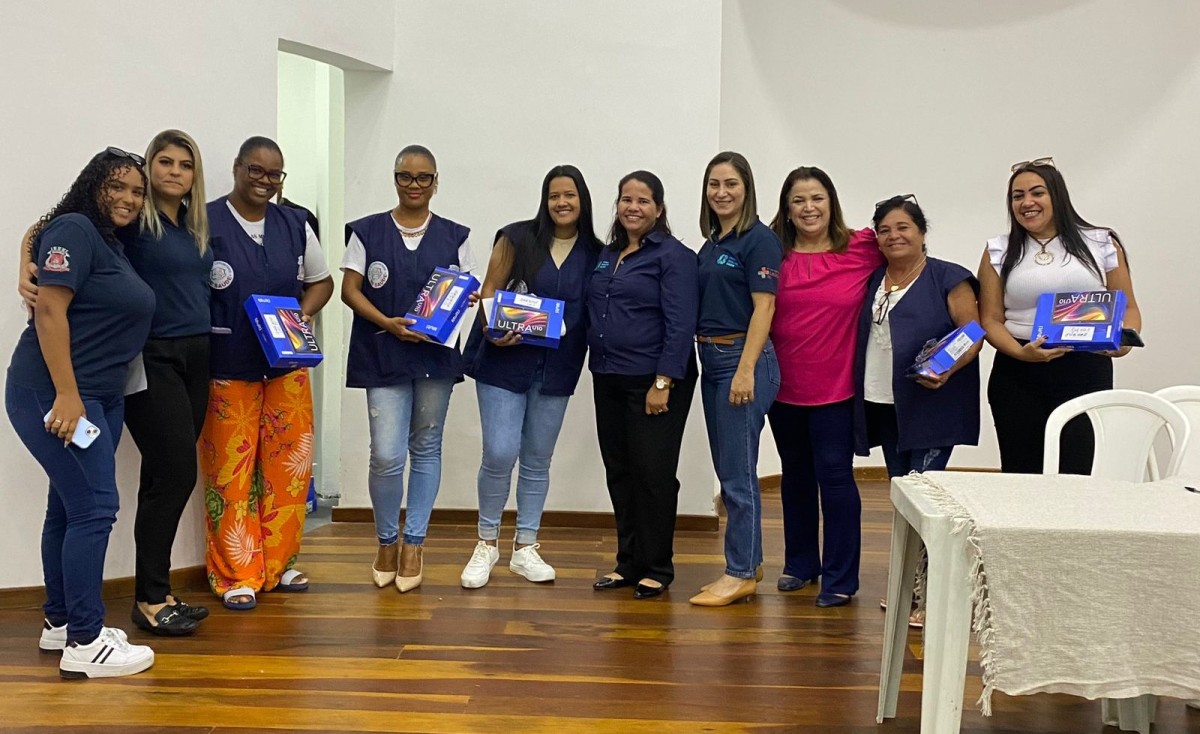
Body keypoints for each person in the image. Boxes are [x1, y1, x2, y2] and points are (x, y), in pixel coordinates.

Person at [18, 131, 216, 635]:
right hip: (151, 359)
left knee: (163, 474)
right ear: (150, 167)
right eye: (164, 162)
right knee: (171, 474)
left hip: (195, 356)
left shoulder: (194, 224)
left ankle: (137, 597)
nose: (174, 171)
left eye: (185, 164)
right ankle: (146, 599)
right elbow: (50, 226)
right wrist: (25, 264)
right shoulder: (130, 224)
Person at [7, 147, 157, 677]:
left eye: (136, 191)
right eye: (116, 186)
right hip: (57, 392)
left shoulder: (109, 240)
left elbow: (39, 230)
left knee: (69, 507)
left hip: (101, 395)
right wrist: (67, 396)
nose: (128, 198)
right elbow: (49, 309)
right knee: (95, 507)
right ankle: (86, 643)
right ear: (93, 186)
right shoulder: (75, 227)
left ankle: (62, 622)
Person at [201, 136, 334, 610]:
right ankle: (237, 573)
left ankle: (279, 563)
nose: (264, 180)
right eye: (255, 170)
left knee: (288, 469)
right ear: (237, 168)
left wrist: (301, 315)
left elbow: (322, 282)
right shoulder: (205, 221)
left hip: (287, 369)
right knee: (230, 474)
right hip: (227, 366)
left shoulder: (295, 224)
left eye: (274, 173)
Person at [459, 165, 602, 588]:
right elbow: (489, 292)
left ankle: (525, 547)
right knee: (500, 453)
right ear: (545, 199)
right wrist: (493, 329)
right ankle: (486, 542)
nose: (562, 202)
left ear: (582, 200)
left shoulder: (597, 253)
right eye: (554, 195)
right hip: (503, 364)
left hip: (557, 369)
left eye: (570, 195)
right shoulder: (516, 237)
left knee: (538, 460)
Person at [341, 144, 475, 593]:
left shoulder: (456, 236)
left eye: (423, 178)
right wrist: (387, 324)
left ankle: (414, 543)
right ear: (395, 179)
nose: (414, 185)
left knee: (427, 447)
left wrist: (460, 305)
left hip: (435, 358)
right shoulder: (367, 232)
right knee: (386, 454)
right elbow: (349, 290)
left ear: (436, 182)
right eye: (405, 176)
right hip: (382, 352)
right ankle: (386, 541)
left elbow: (466, 291)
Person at [978, 157, 1140, 474]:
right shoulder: (998, 250)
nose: (1027, 202)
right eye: (1017, 196)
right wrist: (1021, 354)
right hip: (1018, 371)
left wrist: (1123, 342)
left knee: (1076, 472)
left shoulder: (1101, 242)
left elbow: (1129, 308)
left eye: (1037, 193)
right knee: (1021, 472)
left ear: (1057, 196)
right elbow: (990, 319)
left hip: (1085, 368)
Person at [767, 166, 883, 608]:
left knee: (835, 478)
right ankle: (800, 564)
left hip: (837, 391)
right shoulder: (771, 252)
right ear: (787, 208)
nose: (809, 208)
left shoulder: (861, 247)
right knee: (795, 476)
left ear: (831, 202)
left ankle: (840, 578)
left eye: (817, 198)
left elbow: (909, 253)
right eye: (798, 200)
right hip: (782, 389)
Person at [588, 171, 698, 600]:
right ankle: (628, 562)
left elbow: (680, 323)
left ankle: (657, 566)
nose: (633, 207)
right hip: (607, 376)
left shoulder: (674, 256)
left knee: (653, 474)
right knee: (620, 471)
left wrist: (663, 381)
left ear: (659, 208)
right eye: (626, 199)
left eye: (643, 201)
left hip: (654, 382)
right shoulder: (608, 254)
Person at [688, 152, 781, 607]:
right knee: (730, 469)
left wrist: (745, 370)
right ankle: (751, 560)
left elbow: (765, 307)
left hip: (740, 360)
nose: (721, 193)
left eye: (731, 184)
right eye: (714, 184)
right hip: (712, 358)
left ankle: (740, 572)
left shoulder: (758, 240)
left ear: (747, 189)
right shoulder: (713, 242)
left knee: (738, 475)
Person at [853, 195, 981, 476]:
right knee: (899, 483)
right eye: (884, 230)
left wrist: (945, 370)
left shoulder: (949, 277)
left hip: (932, 402)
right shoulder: (873, 279)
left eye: (903, 227)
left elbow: (972, 334)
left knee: (922, 486)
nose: (893, 236)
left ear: (922, 232)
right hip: (883, 399)